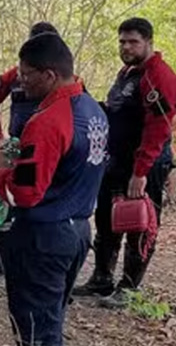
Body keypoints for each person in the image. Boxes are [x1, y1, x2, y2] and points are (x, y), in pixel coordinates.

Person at [0, 33, 107, 346]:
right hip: (77, 229)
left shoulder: (48, 121)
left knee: (39, 329)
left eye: (26, 76)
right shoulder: (93, 109)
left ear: (49, 74)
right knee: (48, 322)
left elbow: (25, 193)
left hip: (43, 234)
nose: (20, 84)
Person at [73, 18, 176, 308]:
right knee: (107, 220)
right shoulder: (128, 72)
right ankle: (102, 278)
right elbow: (116, 112)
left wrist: (140, 171)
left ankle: (129, 288)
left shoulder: (159, 76)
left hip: (146, 164)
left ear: (149, 42)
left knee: (140, 224)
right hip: (116, 160)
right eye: (122, 41)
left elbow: (159, 128)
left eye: (133, 41)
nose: (126, 46)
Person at [0, 21, 60, 279]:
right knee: (4, 202)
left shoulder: (60, 78)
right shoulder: (14, 76)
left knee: (40, 201)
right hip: (15, 148)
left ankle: (38, 261)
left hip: (46, 150)